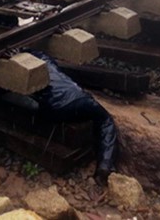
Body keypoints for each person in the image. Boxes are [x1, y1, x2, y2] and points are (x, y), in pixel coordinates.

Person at [29, 51, 118, 186]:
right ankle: (105, 165)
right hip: (76, 99)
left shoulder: (22, 69)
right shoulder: (45, 58)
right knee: (105, 119)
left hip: (50, 107)